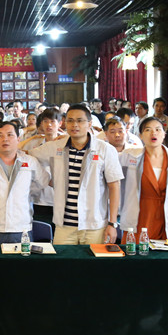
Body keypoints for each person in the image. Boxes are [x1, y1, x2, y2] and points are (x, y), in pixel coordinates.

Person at [31, 104, 123, 245]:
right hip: (64, 226)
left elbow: (114, 186)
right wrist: (48, 179)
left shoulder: (105, 149)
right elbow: (28, 156)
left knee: (92, 259)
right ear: (65, 123)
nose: (74, 125)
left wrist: (112, 223)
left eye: (80, 121)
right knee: (62, 259)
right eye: (70, 121)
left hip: (94, 226)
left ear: (89, 124)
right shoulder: (56, 147)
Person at [119, 117, 168, 240]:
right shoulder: (129, 156)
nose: (153, 133)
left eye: (158, 129)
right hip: (140, 215)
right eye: (148, 130)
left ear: (164, 134)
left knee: (166, 250)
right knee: (136, 248)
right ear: (140, 135)